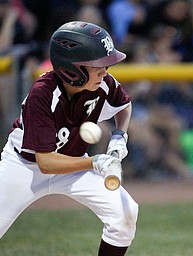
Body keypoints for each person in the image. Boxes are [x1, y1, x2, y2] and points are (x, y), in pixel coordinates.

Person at [0, 21, 138, 256]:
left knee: (125, 213)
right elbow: (45, 163)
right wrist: (95, 162)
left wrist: (119, 136)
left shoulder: (103, 83)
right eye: (98, 66)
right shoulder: (42, 94)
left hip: (74, 164)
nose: (105, 72)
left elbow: (123, 107)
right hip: (24, 166)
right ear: (71, 70)